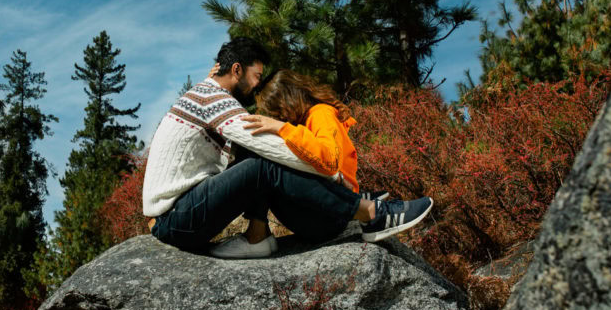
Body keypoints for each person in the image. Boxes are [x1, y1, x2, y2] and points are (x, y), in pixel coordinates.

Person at [142, 37, 433, 258]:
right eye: (256, 77)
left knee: (255, 156)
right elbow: (274, 151)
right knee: (263, 163)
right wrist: (331, 178)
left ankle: (258, 236)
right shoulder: (213, 99)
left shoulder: (207, 93)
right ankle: (372, 213)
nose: (257, 88)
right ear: (236, 70)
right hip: (175, 220)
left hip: (180, 214)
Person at [233, 69, 433, 251]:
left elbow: (329, 161)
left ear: (289, 98)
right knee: (260, 156)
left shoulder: (320, 114)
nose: (280, 116)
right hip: (317, 215)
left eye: (278, 109)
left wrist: (281, 129)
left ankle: (376, 213)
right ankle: (257, 232)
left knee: (265, 163)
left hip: (327, 219)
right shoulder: (305, 121)